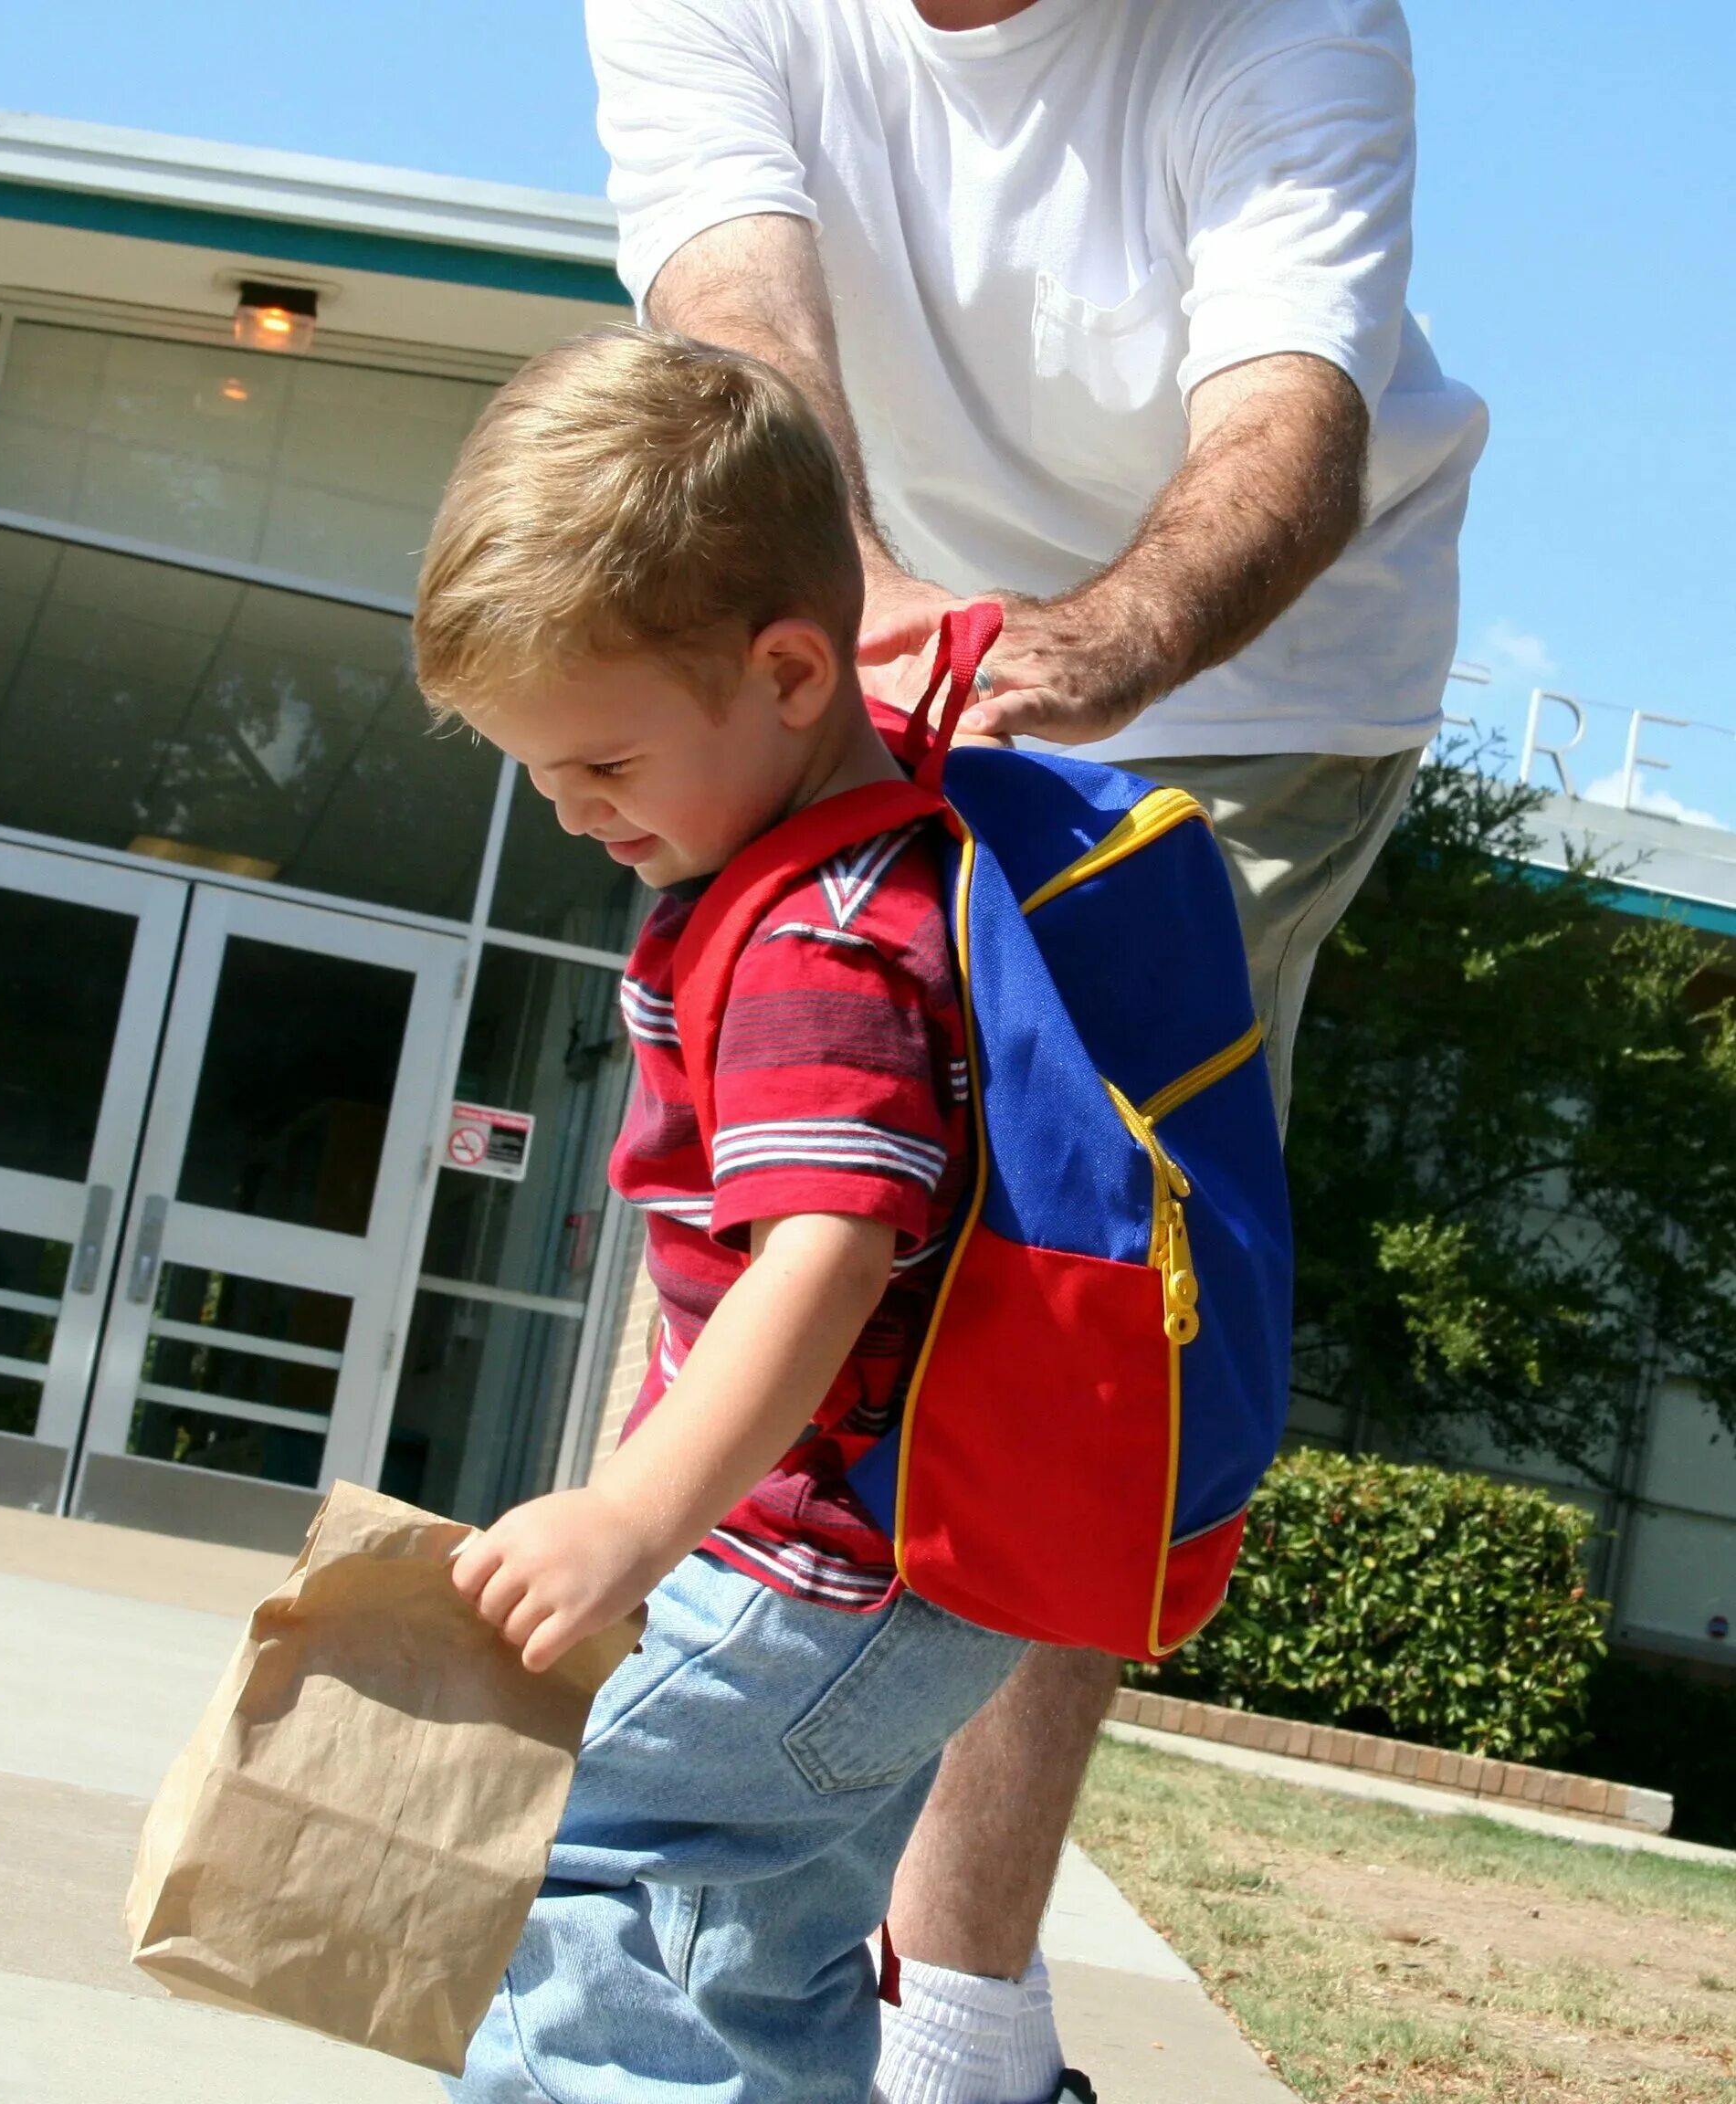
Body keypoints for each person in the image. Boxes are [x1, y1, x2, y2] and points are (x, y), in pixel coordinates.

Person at [584, 4, 1488, 2099]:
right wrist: (877, 596)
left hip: (1239, 675)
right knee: (771, 1136)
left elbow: (1287, 427)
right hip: (861, 607)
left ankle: (954, 2021)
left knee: (1066, 1287)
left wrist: (1079, 652)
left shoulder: (1283, 20)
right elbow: (738, 311)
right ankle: (699, 1874)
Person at [416, 325, 1028, 2104]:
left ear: (783, 670)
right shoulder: (898, 844)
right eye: (533, 770)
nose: (567, 809)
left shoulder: (817, 935)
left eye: (598, 763)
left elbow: (824, 1253)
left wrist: (628, 1517)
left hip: (795, 1576)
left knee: (592, 1901)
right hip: (894, 1579)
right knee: (741, 1961)